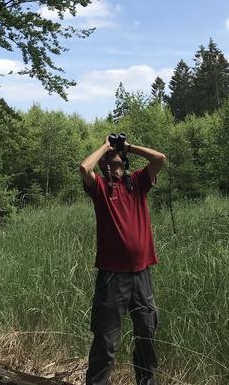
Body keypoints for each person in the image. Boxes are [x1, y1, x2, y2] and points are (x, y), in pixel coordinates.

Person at [79, 136, 166, 385]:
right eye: (109, 155)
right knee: (106, 340)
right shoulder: (101, 189)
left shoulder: (137, 183)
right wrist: (105, 146)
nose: (113, 155)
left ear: (124, 159)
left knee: (147, 333)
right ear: (105, 163)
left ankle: (146, 382)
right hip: (111, 276)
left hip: (141, 274)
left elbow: (159, 158)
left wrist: (128, 147)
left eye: (117, 153)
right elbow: (85, 167)